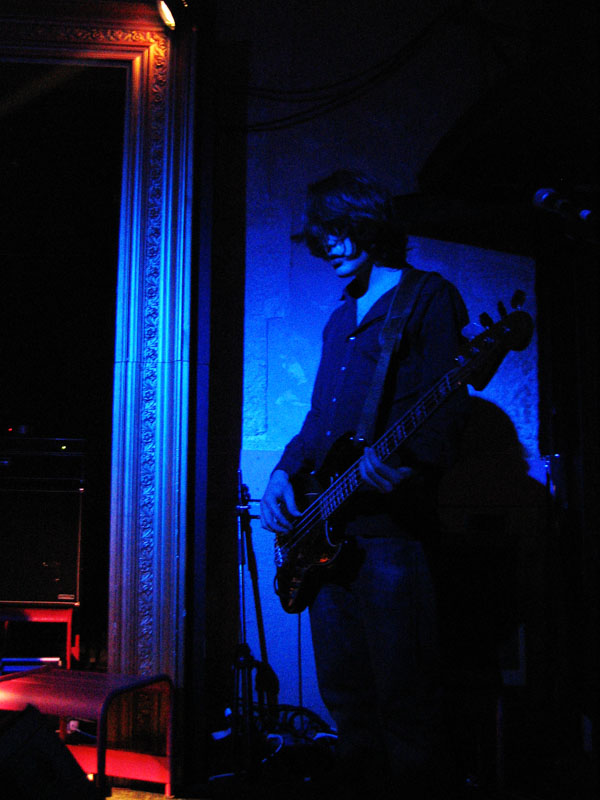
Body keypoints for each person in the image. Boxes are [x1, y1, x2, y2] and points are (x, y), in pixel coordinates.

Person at [260, 170, 471, 798]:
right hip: (325, 531)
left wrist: (409, 469)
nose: (330, 246)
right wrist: (281, 473)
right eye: (322, 236)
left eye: (340, 231)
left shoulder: (428, 298)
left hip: (391, 535)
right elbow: (320, 420)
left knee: (407, 699)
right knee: (346, 697)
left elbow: (448, 408)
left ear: (371, 225)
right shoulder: (340, 319)